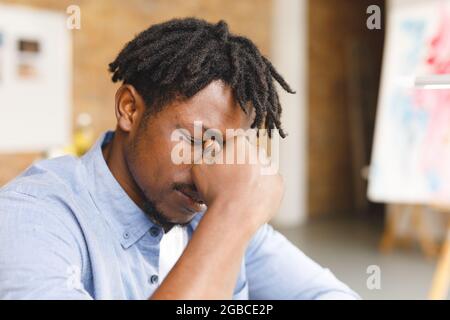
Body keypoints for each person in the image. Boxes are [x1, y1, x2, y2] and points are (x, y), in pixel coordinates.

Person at [0, 18, 359, 299]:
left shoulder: (211, 213)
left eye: (224, 149)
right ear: (129, 109)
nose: (208, 171)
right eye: (197, 140)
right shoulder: (30, 218)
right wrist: (231, 216)